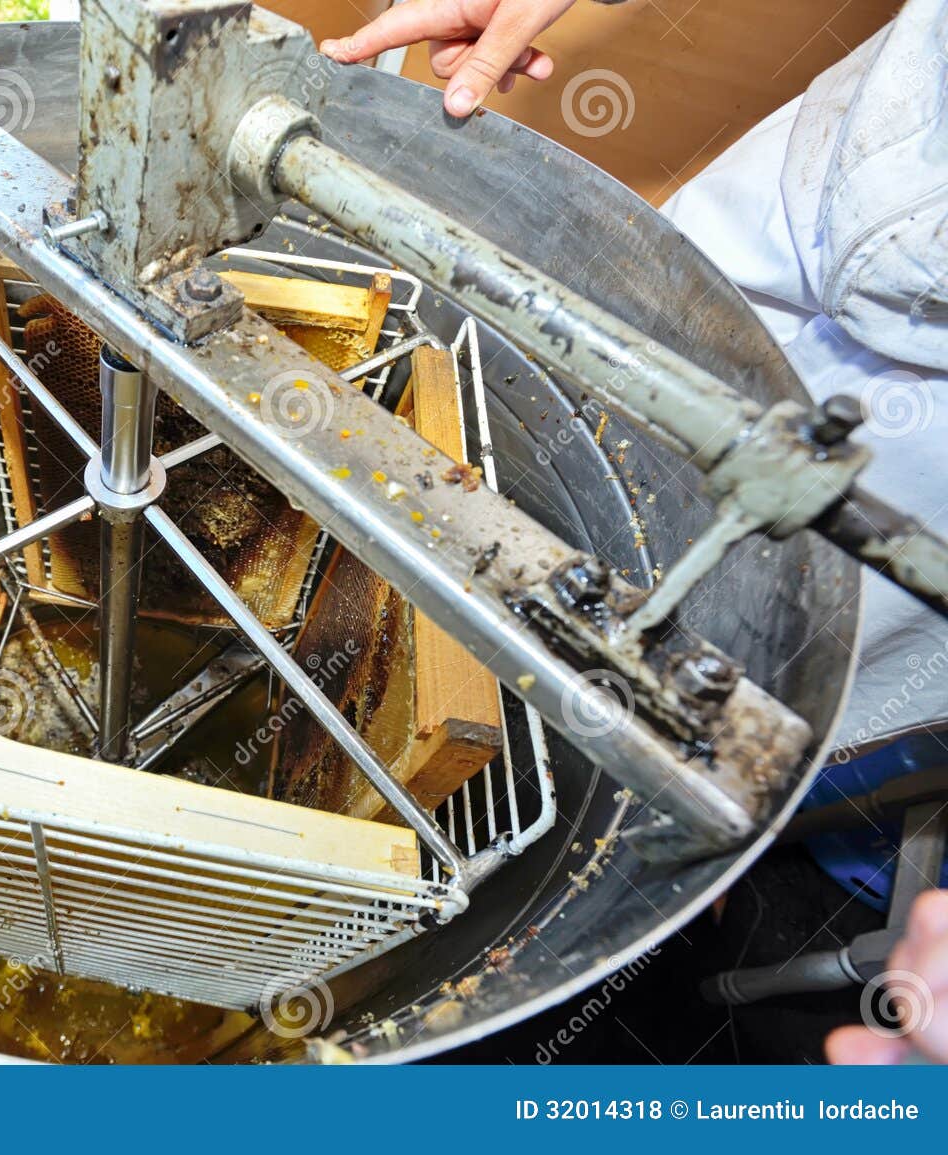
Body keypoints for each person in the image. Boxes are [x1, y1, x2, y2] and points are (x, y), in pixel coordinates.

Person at [325, 0, 948, 1065]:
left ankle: (629, 844)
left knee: (732, 702)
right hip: (844, 183)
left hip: (916, 499)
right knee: (566, 446)